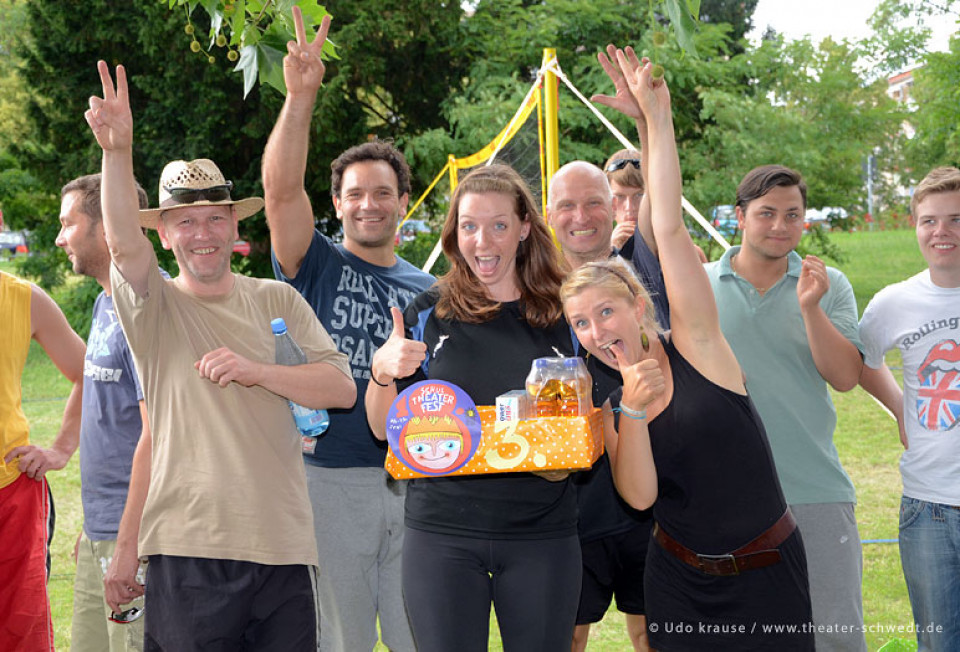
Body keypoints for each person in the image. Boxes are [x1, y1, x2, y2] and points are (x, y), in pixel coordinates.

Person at [85, 60, 356, 650]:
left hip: (284, 549)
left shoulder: (276, 297)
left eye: (214, 217)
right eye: (185, 222)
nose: (202, 233)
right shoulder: (152, 305)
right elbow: (120, 242)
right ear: (164, 232)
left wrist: (258, 370)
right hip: (189, 550)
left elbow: (342, 388)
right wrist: (117, 151)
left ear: (235, 223)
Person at [561, 48, 813, 650]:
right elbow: (641, 495)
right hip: (676, 581)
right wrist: (633, 411)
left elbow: (668, 226)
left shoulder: (697, 345)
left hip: (766, 573)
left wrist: (654, 119)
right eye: (582, 324)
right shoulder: (609, 401)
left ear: (638, 306)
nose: (597, 331)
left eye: (605, 311)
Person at [261, 9, 433, 651]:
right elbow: (278, 192)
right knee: (341, 641)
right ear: (336, 204)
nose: (369, 204)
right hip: (329, 478)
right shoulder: (315, 262)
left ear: (402, 203)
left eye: (383, 193)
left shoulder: (427, 289)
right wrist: (301, 96)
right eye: (355, 193)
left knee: (422, 636)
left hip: (414, 483)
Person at [366, 163, 581, 651]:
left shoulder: (563, 313)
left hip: (541, 536)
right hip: (441, 535)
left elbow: (589, 419)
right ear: (454, 231)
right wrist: (383, 371)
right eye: (469, 226)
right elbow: (383, 429)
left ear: (525, 227)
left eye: (499, 225)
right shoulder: (426, 312)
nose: (483, 241)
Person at [703, 163, 866, 651]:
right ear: (739, 216)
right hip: (725, 497)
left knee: (834, 635)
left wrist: (811, 307)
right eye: (766, 213)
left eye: (792, 215)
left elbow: (845, 377)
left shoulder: (829, 283)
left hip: (815, 489)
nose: (779, 226)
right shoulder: (701, 284)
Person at [547, 158, 653, 652]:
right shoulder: (528, 294)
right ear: (549, 215)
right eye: (566, 205)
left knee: (653, 633)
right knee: (565, 637)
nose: (581, 216)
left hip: (652, 505)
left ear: (614, 207)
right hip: (564, 511)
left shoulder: (647, 280)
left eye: (593, 201)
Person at [859, 166, 960, 652]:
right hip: (928, 505)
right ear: (915, 225)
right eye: (929, 220)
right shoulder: (893, 303)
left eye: (956, 219)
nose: (942, 232)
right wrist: (900, 406)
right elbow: (860, 363)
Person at [56, 173, 157, 650]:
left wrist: (126, 542)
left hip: (134, 540)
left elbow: (157, 433)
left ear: (107, 227)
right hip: (101, 532)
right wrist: (93, 530)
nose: (59, 238)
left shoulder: (144, 310)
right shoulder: (103, 303)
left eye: (68, 224)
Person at [1, 272, 84, 651]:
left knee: (20, 635)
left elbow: (91, 375)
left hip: (11, 496)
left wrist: (62, 448)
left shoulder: (23, 298)